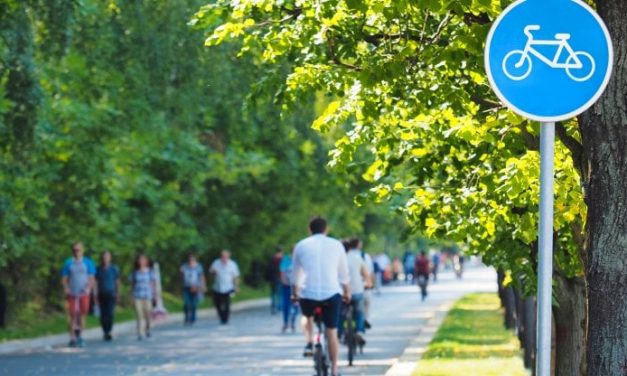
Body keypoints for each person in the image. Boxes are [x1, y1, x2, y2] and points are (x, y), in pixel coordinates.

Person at [292, 216, 350, 376]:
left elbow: (295, 274)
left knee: (307, 316)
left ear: (309, 229)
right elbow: (344, 274)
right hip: (331, 294)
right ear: (326, 229)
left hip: (308, 293)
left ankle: (309, 342)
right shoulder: (337, 245)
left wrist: (294, 293)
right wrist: (347, 292)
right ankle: (334, 369)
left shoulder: (301, 245)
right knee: (331, 331)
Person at [61, 242, 96, 348]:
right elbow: (64, 278)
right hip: (72, 292)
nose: (77, 252)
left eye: (79, 250)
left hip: (83, 293)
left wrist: (88, 287)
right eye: (75, 250)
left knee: (82, 315)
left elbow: (91, 277)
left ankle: (80, 336)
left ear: (82, 250)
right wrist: (66, 288)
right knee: (72, 315)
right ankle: (72, 338)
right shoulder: (68, 263)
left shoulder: (88, 262)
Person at [339, 237, 369, 345]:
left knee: (340, 313)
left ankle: (340, 332)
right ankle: (359, 331)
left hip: (342, 292)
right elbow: (366, 274)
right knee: (359, 311)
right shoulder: (357, 257)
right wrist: (368, 284)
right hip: (356, 290)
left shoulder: (339, 259)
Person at [95, 250, 120, 341]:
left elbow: (117, 282)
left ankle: (109, 330)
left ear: (110, 258)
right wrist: (95, 295)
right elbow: (96, 283)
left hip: (111, 293)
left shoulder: (114, 269)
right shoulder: (98, 269)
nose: (105, 258)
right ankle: (105, 331)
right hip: (101, 293)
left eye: (107, 257)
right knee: (103, 314)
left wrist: (117, 293)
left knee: (110, 313)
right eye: (104, 257)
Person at [210, 250, 240, 324]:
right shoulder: (216, 263)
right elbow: (211, 274)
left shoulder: (232, 264)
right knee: (217, 304)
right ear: (220, 256)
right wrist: (213, 273)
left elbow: (235, 276)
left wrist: (236, 286)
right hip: (217, 287)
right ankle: (221, 316)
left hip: (228, 287)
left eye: (226, 256)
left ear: (228, 257)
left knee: (227, 304)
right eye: (223, 256)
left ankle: (225, 318)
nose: (224, 258)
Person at [131, 254, 156, 340]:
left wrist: (155, 295)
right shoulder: (135, 272)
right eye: (140, 259)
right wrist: (131, 295)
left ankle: (148, 329)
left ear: (146, 261)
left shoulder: (150, 271)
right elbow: (133, 284)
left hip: (147, 295)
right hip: (137, 295)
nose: (141, 261)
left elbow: (153, 284)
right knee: (139, 314)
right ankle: (140, 333)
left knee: (148, 313)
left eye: (143, 259)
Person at [181, 254, 205, 325]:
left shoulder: (198, 267)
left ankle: (193, 318)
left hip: (196, 287)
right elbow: (181, 276)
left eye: (192, 260)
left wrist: (202, 286)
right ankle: (186, 318)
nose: (191, 261)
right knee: (186, 303)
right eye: (190, 260)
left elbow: (201, 277)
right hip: (186, 286)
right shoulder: (184, 267)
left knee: (194, 303)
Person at [279, 248, 300, 332]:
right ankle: (285, 323)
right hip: (287, 286)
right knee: (286, 305)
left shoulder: (299, 261)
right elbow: (282, 272)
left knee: (296, 305)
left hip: (297, 286)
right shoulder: (286, 260)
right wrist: (284, 282)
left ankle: (293, 323)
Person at [266, 248, 283, 315]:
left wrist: (268, 279)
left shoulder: (271, 259)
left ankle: (274, 307)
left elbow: (268, 270)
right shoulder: (281, 260)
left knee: (273, 294)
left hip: (272, 279)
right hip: (279, 278)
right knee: (279, 294)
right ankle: (279, 307)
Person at [361, 250, 375, 329]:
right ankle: (365, 319)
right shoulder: (366, 257)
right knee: (366, 303)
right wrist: (372, 284)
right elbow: (371, 273)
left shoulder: (347, 255)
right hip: (364, 286)